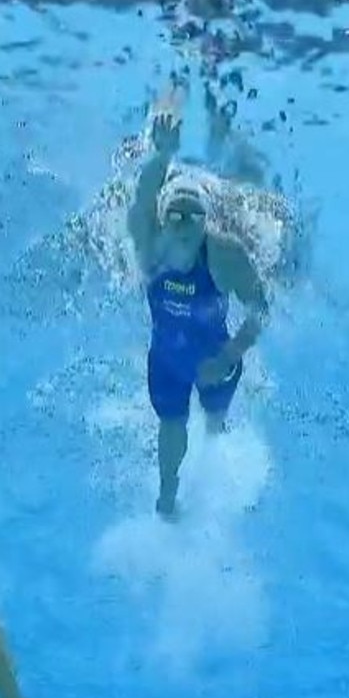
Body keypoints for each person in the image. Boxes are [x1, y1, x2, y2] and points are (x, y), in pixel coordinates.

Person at [126, 85, 269, 520]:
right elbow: (143, 195)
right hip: (167, 363)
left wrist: (230, 354)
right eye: (177, 214)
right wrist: (161, 155)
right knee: (170, 431)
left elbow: (261, 308)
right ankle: (168, 500)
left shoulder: (224, 254)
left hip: (216, 360)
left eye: (195, 215)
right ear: (162, 221)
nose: (186, 223)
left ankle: (213, 468)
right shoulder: (149, 249)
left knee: (213, 425)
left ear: (207, 222)